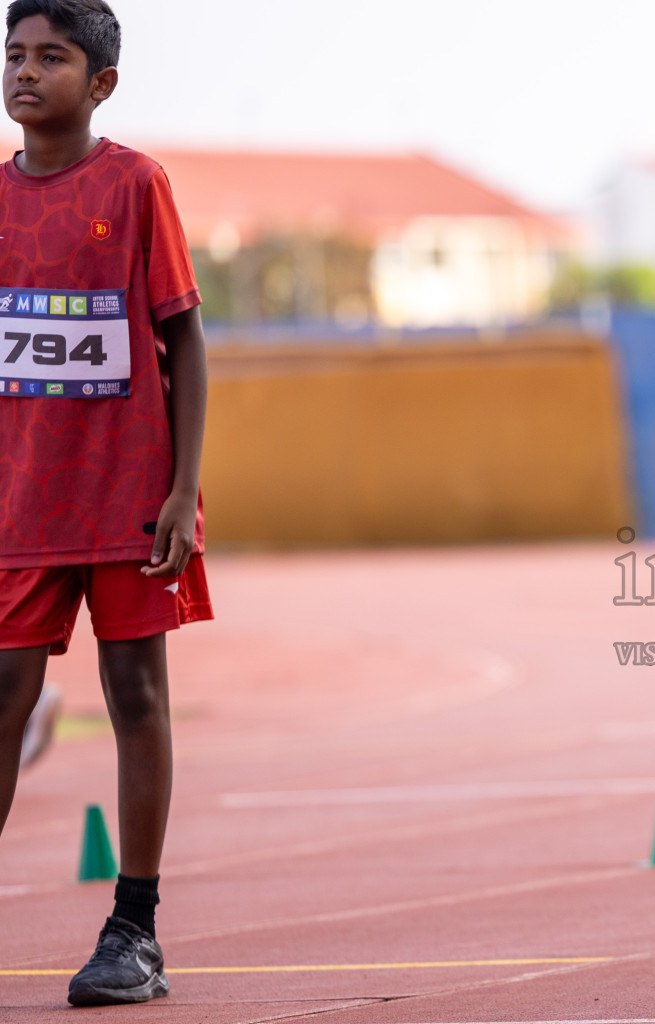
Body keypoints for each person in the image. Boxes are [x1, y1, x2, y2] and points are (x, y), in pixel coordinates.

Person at [0, 0, 210, 1006]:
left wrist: (181, 489)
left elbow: (187, 340)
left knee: (136, 696)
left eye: (52, 56)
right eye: (14, 54)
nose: (27, 72)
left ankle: (135, 927)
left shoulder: (135, 186)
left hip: (127, 496)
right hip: (21, 503)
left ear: (102, 83)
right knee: (4, 694)